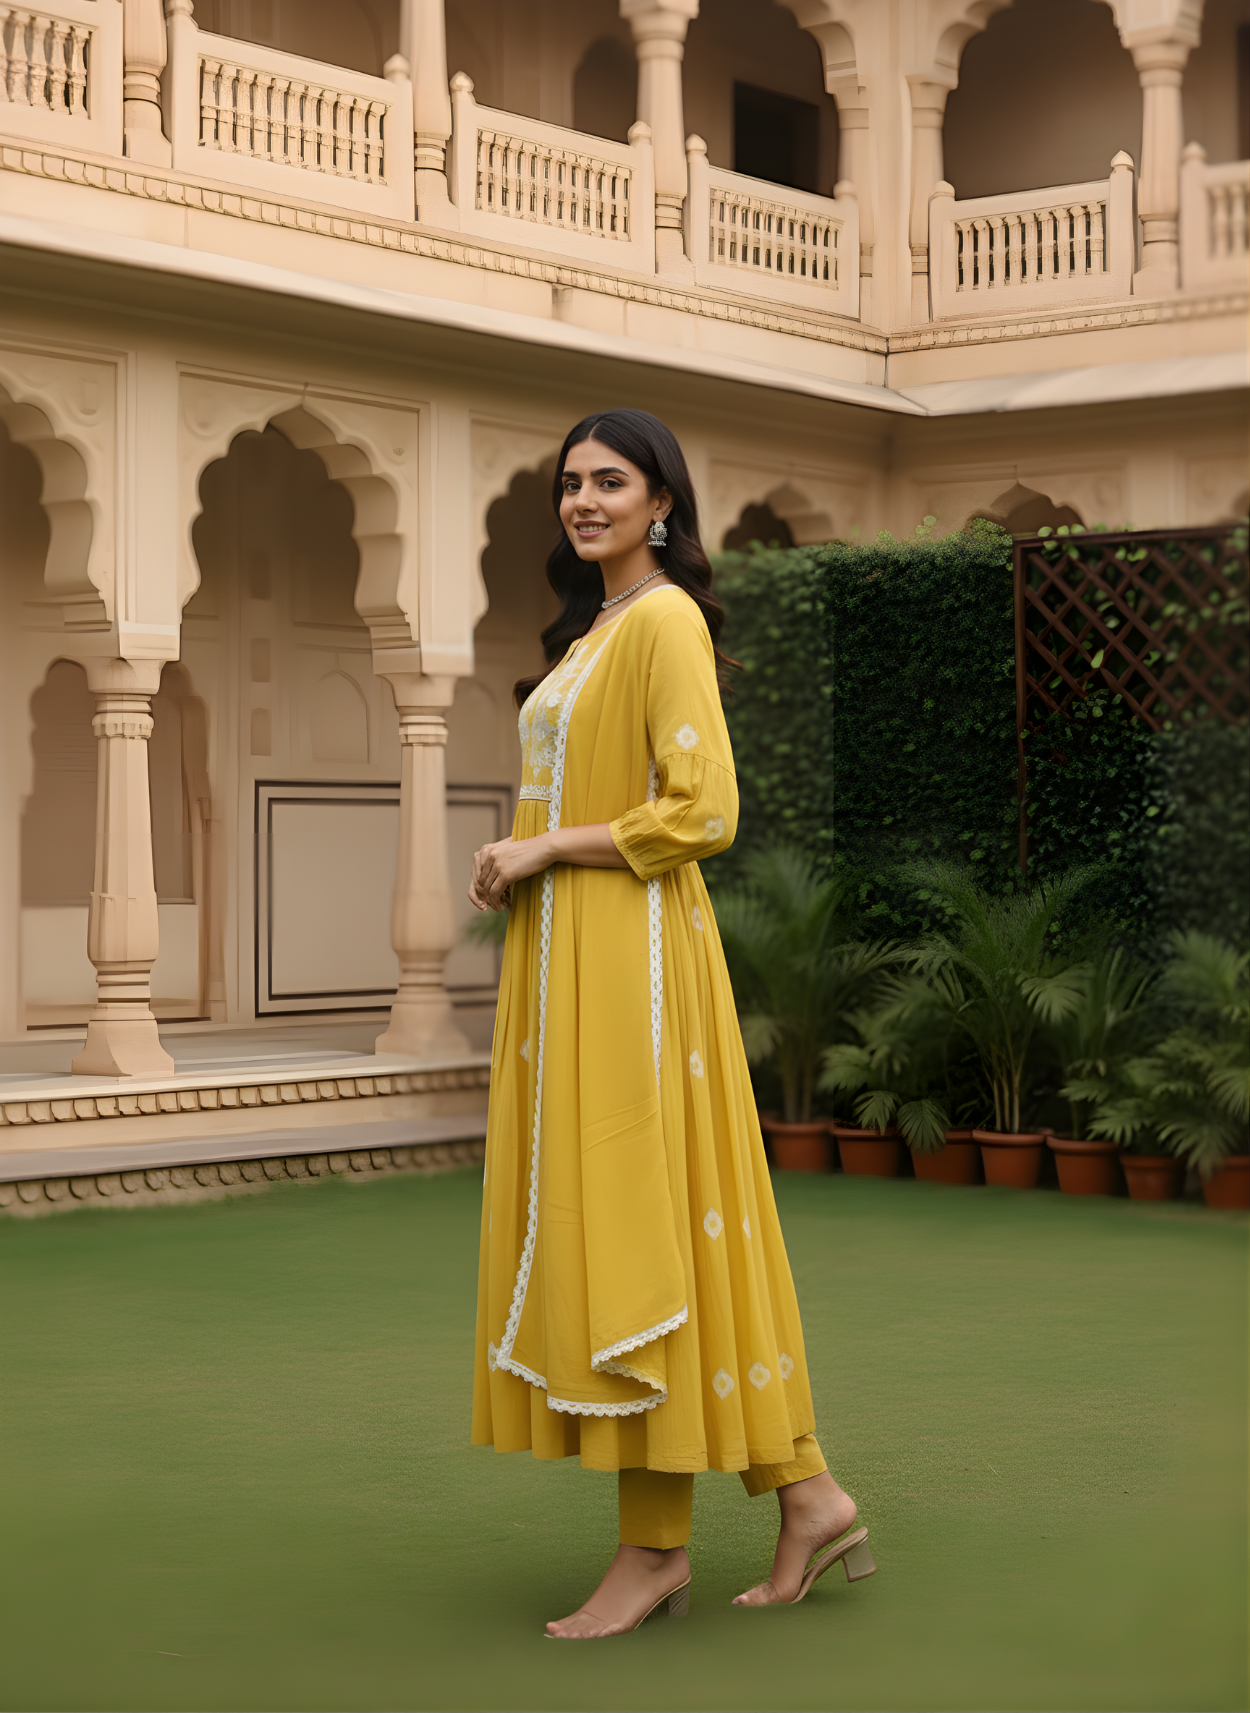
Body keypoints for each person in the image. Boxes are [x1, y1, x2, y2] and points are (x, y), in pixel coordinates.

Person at [468, 408, 875, 1639]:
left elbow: (701, 810)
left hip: (633, 966)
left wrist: (542, 843)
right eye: (569, 484)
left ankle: (654, 1552)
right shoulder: (596, 629)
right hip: (571, 962)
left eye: (610, 482)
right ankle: (806, 1494)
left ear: (661, 503)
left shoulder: (662, 620)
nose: (582, 500)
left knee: (641, 1237)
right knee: (658, 1237)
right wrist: (528, 855)